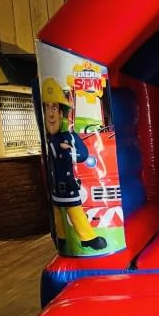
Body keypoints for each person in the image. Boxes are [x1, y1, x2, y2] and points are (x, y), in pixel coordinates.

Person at [42, 77, 107, 252]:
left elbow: (83, 154)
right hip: (56, 184)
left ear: (61, 113)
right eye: (47, 108)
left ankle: (87, 238)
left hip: (67, 183)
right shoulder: (49, 139)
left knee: (73, 208)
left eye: (54, 108)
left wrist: (70, 151)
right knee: (59, 211)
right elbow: (55, 156)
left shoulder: (70, 136)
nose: (50, 114)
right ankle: (63, 238)